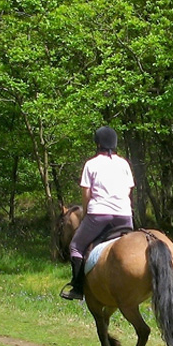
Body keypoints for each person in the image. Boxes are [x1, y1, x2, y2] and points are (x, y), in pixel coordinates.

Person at [60, 126, 135, 301]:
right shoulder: (124, 164)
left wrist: (86, 214)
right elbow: (128, 190)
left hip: (99, 215)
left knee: (76, 247)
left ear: (98, 144)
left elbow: (86, 194)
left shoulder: (91, 164)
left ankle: (77, 288)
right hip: (124, 216)